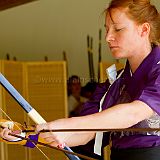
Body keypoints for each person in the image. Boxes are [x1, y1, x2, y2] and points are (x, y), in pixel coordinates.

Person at [1, 0, 160, 159]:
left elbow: (133, 113)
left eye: (117, 29)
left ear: (144, 30)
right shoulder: (114, 83)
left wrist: (67, 125)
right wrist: (26, 135)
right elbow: (84, 133)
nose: (108, 37)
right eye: (107, 30)